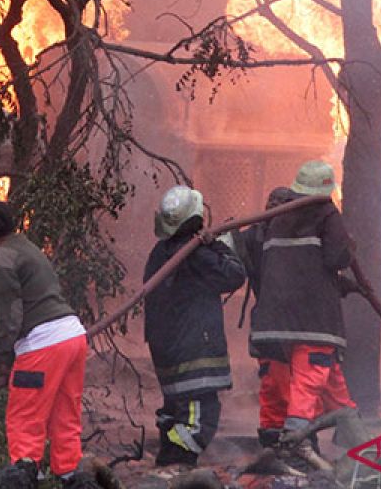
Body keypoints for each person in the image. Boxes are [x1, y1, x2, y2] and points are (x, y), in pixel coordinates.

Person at [0, 201, 90, 486]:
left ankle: (25, 480)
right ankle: (72, 478)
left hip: (41, 346)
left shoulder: (1, 258)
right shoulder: (27, 247)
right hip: (73, 337)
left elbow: (10, 319)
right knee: (65, 420)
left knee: (25, 422)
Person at [249, 161, 357, 452]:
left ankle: (351, 437)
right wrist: (350, 248)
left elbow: (295, 265)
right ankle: (295, 445)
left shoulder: (277, 217)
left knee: (285, 382)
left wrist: (341, 286)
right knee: (308, 381)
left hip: (273, 320)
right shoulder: (326, 212)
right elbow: (337, 258)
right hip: (313, 322)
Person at [143, 185, 246, 468]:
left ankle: (167, 463)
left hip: (167, 347)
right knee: (200, 416)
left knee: (176, 410)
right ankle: (178, 464)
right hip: (193, 348)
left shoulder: (161, 251)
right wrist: (219, 244)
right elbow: (234, 275)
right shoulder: (195, 253)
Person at [232, 186, 296, 447]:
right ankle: (274, 437)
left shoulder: (298, 238)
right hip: (274, 321)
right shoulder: (255, 237)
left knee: (296, 384)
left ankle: (296, 434)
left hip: (294, 322)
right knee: (275, 382)